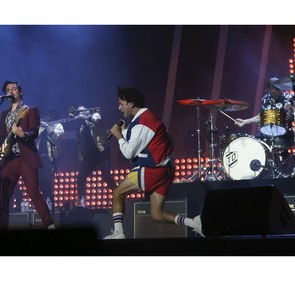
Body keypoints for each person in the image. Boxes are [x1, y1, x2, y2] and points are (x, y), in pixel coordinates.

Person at [103, 87, 203, 239]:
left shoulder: (144, 121)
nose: (119, 107)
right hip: (164, 171)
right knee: (157, 214)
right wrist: (123, 131)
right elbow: (137, 144)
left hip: (152, 169)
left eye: (121, 103)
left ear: (130, 104)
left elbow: (129, 152)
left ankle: (119, 233)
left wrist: (117, 135)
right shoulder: (143, 120)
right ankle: (194, 223)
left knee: (117, 193)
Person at [0, 80, 55, 230]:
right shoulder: (3, 114)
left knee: (34, 193)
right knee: (3, 197)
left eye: (14, 88)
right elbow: (1, 134)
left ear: (20, 92)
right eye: (8, 89)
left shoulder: (30, 110)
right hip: (9, 160)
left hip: (26, 158)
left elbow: (34, 131)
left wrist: (23, 134)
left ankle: (50, 225)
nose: (11, 91)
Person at [234, 77, 295, 164]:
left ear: (279, 89)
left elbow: (293, 117)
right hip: (267, 131)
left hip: (285, 132)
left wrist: (290, 109)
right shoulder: (266, 98)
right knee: (253, 142)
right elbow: (261, 117)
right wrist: (245, 121)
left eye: (274, 93)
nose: (272, 95)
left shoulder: (288, 97)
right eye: (270, 93)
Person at [75, 106, 116, 207]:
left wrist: (85, 118)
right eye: (79, 112)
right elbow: (80, 141)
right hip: (90, 155)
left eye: (82, 111)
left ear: (87, 111)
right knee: (80, 177)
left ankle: (118, 194)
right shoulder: (81, 125)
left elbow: (98, 122)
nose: (80, 113)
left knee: (106, 176)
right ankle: (82, 200)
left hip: (102, 151)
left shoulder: (95, 115)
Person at [36, 106, 65, 200]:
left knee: (48, 180)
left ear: (53, 115)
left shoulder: (58, 125)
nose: (47, 116)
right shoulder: (40, 127)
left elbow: (55, 138)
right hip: (38, 158)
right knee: (39, 181)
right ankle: (45, 199)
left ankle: (49, 199)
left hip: (50, 157)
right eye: (45, 114)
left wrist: (47, 127)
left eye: (49, 113)